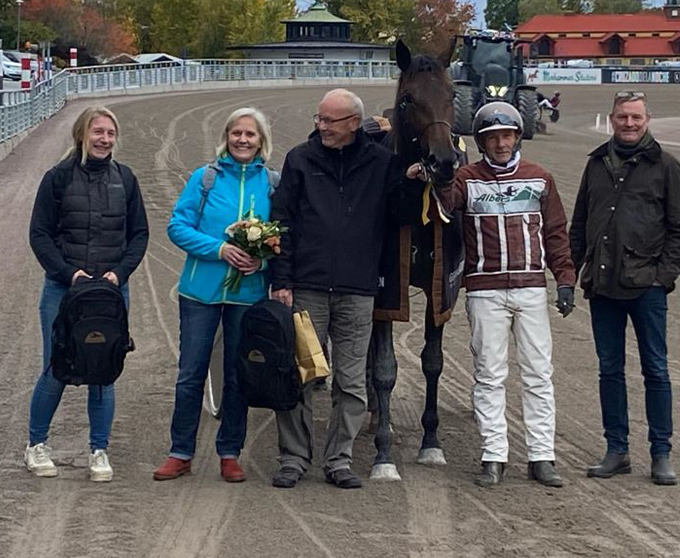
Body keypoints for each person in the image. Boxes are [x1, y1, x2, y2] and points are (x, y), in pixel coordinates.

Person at [422, 101, 576, 488]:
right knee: (489, 375)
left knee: (539, 374)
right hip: (485, 292)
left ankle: (542, 456)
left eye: (507, 136)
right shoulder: (467, 179)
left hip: (530, 291)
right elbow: (444, 203)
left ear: (517, 137)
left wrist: (565, 279)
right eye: (493, 138)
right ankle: (494, 455)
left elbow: (556, 233)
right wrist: (437, 174)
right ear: (481, 142)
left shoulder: (540, 178)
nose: (501, 144)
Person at [268, 88, 409, 490]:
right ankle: (294, 458)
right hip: (307, 289)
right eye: (319, 119)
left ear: (352, 123)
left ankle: (339, 459)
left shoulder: (382, 164)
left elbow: (399, 214)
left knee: (350, 381)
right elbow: (282, 223)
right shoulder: (300, 159)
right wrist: (282, 279)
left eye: (329, 121)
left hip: (357, 291)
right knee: (302, 376)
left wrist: (413, 181)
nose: (321, 126)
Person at [570, 90, 680, 486]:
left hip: (647, 288)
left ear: (647, 120)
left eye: (636, 118)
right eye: (623, 117)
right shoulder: (595, 165)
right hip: (603, 286)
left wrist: (663, 276)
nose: (629, 124)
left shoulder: (667, 166)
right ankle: (617, 449)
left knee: (655, 370)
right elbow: (579, 225)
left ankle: (661, 453)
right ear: (612, 119)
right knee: (610, 371)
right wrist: (569, 276)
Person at [152, 108, 277, 484]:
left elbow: (281, 240)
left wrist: (263, 262)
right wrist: (219, 250)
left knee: (238, 375)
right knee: (191, 373)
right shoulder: (204, 179)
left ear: (261, 141)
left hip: (248, 295)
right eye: (236, 133)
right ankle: (181, 451)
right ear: (226, 137)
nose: (242, 140)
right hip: (200, 293)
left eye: (250, 135)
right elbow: (177, 227)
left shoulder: (272, 183)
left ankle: (229, 452)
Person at [25, 105, 149, 482]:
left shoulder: (125, 179)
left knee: (103, 369)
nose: (104, 139)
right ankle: (36, 444)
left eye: (110, 133)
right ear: (82, 134)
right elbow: (40, 234)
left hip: (110, 292)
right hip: (63, 291)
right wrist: (67, 273)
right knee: (56, 368)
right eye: (98, 132)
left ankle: (99, 450)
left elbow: (139, 234)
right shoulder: (57, 178)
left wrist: (120, 273)